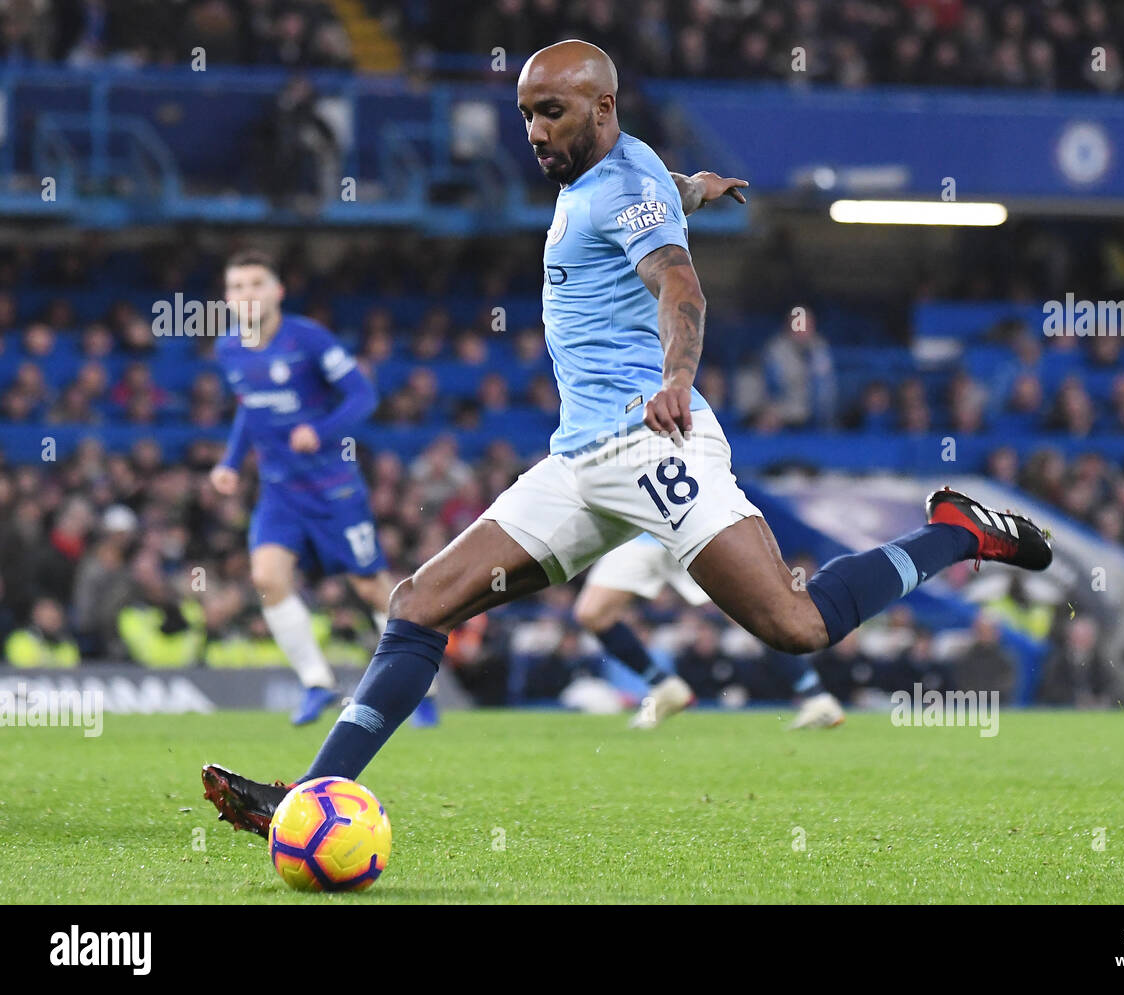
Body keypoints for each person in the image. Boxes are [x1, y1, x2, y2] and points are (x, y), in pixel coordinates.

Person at [202, 40, 1051, 836]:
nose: (535, 131)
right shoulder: (626, 170)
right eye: (527, 114)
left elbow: (680, 284)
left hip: (651, 446)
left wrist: (677, 376)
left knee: (795, 625)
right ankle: (310, 796)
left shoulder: (617, 185)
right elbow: (653, 192)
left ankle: (958, 531)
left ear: (601, 107)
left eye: (552, 114)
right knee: (419, 604)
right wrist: (699, 186)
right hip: (577, 462)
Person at [211, 250, 436, 726]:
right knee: (267, 579)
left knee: (371, 587)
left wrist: (324, 429)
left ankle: (421, 685)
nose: (245, 295)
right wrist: (230, 462)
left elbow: (363, 395)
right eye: (236, 287)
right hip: (279, 492)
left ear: (277, 292)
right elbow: (249, 408)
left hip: (334, 490)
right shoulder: (229, 348)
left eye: (255, 284)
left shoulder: (308, 339)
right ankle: (316, 682)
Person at [574, 533, 845, 728]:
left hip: (680, 525)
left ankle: (817, 698)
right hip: (636, 533)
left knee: (748, 616)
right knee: (592, 613)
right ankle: (665, 687)